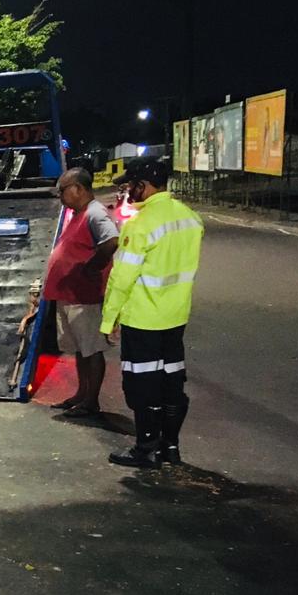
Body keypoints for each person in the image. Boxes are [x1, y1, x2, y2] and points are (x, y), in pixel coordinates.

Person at [100, 157, 203, 467]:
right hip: (175, 318)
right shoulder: (190, 218)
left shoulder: (141, 224)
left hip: (143, 319)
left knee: (142, 388)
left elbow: (122, 278)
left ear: (144, 186)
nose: (129, 191)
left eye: (132, 185)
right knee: (172, 384)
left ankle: (145, 450)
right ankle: (170, 448)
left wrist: (109, 319)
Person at [44, 166, 119, 416]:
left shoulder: (95, 213)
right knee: (80, 350)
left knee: (91, 349)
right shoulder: (79, 213)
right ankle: (82, 393)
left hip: (84, 297)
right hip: (70, 295)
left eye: (63, 190)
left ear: (78, 188)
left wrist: (91, 268)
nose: (61, 196)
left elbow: (111, 241)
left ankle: (91, 401)